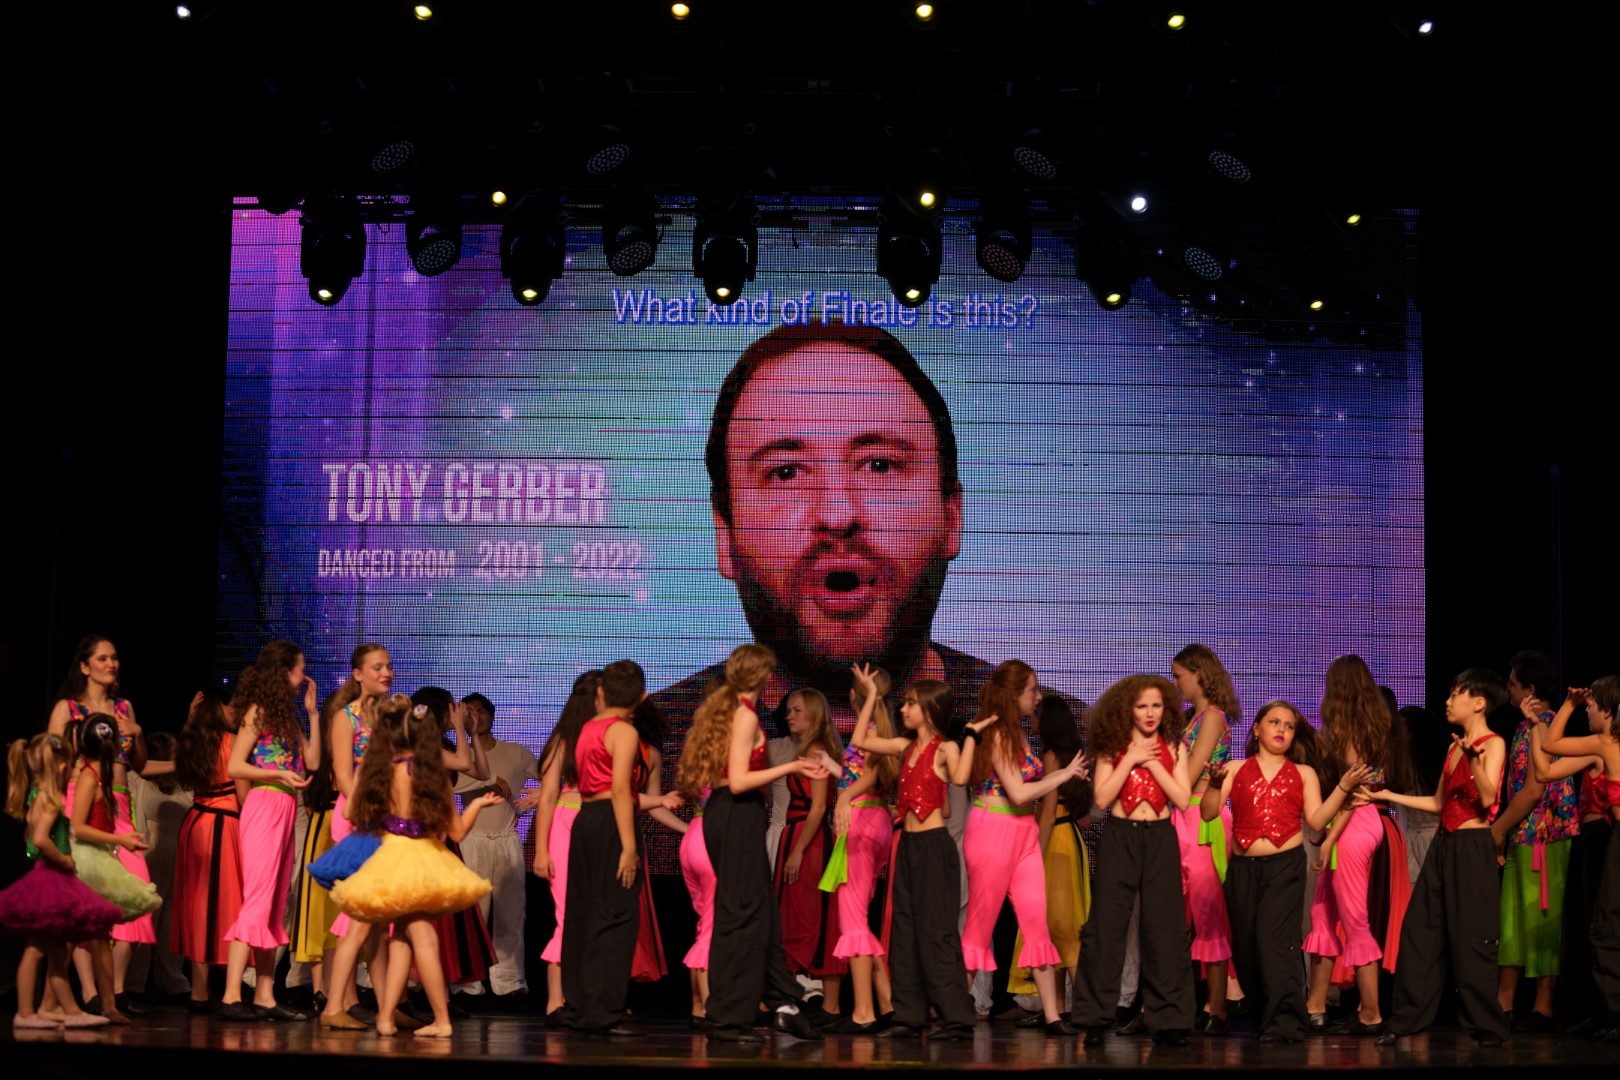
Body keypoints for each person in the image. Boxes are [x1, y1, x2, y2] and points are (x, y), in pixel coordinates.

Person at [650, 322, 993, 866]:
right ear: (725, 536)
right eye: (786, 473)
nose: (838, 514)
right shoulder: (652, 738)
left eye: (880, 465)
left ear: (951, 517)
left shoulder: (1064, 736)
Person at [673, 643, 831, 1044]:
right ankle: (728, 1018)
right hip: (736, 812)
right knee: (741, 916)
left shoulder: (728, 710)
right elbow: (739, 780)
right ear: (760, 674)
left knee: (761, 915)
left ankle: (783, 1005)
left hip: (731, 813)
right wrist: (793, 765)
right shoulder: (742, 714)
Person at [328, 694, 501, 1038]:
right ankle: (409, 1018)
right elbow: (456, 831)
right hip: (421, 860)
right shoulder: (432, 775)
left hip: (387, 859)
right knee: (413, 939)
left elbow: (349, 812)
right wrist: (477, 805)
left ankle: (395, 1017)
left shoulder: (377, 771)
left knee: (393, 937)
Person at [1202, 701, 1364, 1043]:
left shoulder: (1303, 773)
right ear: (1257, 728)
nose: (1281, 730)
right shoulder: (1234, 769)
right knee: (1247, 948)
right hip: (1243, 870)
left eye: (1289, 726)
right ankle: (1266, 1017)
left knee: (1274, 944)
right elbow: (1207, 813)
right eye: (1274, 722)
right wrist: (1214, 785)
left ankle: (1286, 1022)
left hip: (1284, 868)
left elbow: (1317, 821)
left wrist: (1343, 787)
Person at [1370, 669, 1511, 1047]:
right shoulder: (1453, 748)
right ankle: (1406, 1020)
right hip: (1443, 843)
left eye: (1455, 694)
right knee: (1420, 931)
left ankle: (1487, 1026)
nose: (1447, 701)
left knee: (1471, 936)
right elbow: (1437, 803)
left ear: (1478, 702)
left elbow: (1487, 799)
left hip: (1472, 846)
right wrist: (1387, 796)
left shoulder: (1493, 744)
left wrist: (1475, 762)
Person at [956, 659, 1090, 1035]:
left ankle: (1053, 1016)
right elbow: (1017, 792)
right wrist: (1062, 775)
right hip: (993, 830)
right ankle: (954, 1010)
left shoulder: (1019, 734)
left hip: (1024, 832)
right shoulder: (998, 732)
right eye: (1032, 689)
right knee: (980, 926)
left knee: (1036, 922)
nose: (1038, 696)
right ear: (1015, 694)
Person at [849, 671, 979, 1040]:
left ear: (930, 710)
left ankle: (957, 1017)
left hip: (934, 848)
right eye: (904, 703)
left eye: (910, 704)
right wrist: (870, 695)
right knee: (904, 929)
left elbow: (962, 777)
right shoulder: (904, 747)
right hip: (907, 846)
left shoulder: (946, 748)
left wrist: (971, 736)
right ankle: (909, 1014)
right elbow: (860, 740)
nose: (904, 709)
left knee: (936, 931)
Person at [1070, 674, 1195, 1047]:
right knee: (1106, 925)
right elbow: (1103, 798)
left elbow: (1182, 799)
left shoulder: (1175, 746)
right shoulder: (1113, 746)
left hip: (1159, 837)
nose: (1150, 713)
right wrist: (1132, 760)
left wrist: (1153, 764)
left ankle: (1170, 1020)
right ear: (1128, 709)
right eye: (1142, 706)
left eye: (1156, 705)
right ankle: (1095, 1018)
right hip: (1121, 836)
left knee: (1165, 927)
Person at [557, 660, 677, 1034]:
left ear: (602, 693)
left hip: (586, 821)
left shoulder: (587, 727)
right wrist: (628, 847)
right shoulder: (622, 731)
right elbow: (623, 791)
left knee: (583, 913)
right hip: (611, 821)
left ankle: (580, 1005)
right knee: (616, 913)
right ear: (641, 697)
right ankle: (604, 1011)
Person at [1302, 654, 1412, 1036]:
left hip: (1355, 822)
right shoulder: (1369, 727)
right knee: (1322, 913)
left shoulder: (1350, 732)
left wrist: (1330, 837)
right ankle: (1315, 1006)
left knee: (1353, 919)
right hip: (1352, 822)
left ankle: (1371, 1013)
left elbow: (1354, 791)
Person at [47, 634, 153, 1014]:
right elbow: (50, 760)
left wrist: (137, 733)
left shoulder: (124, 707)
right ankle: (91, 993)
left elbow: (139, 764)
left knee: (137, 894)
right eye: (103, 658)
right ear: (84, 666)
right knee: (85, 899)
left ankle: (116, 990)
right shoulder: (69, 709)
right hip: (79, 799)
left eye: (115, 658)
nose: (112, 664)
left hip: (119, 806)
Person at [219, 640, 321, 1021]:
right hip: (264, 803)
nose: (303, 675)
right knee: (258, 899)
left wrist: (312, 713)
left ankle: (264, 994)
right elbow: (235, 766)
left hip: (285, 806)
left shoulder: (286, 718)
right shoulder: (258, 711)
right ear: (283, 672)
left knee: (276, 902)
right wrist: (277, 773)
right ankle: (231, 994)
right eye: (300, 668)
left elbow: (313, 761)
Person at [0, 733, 121, 1029]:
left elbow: (30, 839)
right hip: (50, 878)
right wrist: (64, 859)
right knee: (36, 949)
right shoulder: (51, 800)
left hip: (47, 875)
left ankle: (69, 1009)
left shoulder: (35, 796)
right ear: (62, 765)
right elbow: (41, 839)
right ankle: (25, 1012)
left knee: (56, 952)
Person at [1493, 649, 1580, 1031]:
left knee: (1542, 917)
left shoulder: (1545, 725)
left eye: (1513, 683)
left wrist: (1498, 829)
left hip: (1545, 834)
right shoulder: (1523, 727)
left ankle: (1543, 1007)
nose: (1508, 688)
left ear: (1529, 689)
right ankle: (1504, 1002)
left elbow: (1533, 789)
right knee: (1512, 919)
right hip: (1523, 833)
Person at [68, 718, 163, 1024]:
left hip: (107, 843)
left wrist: (121, 838)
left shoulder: (104, 774)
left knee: (115, 921)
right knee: (81, 929)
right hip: (90, 852)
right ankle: (82, 998)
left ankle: (111, 1000)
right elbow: (78, 826)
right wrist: (119, 840)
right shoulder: (88, 776)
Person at [1539, 680, 1620, 1037]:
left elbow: (1551, 744)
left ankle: (1614, 1014)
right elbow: (1545, 769)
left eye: (1592, 705)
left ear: (1609, 710)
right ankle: (1606, 1012)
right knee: (1601, 926)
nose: (1588, 709)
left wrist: (1569, 704)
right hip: (1609, 835)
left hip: (1613, 835)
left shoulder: (1606, 742)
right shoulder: (1606, 744)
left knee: (1606, 928)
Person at [1007, 693, 1092, 1024]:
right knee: (1057, 927)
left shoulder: (1053, 755)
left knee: (1061, 927)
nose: (1032, 719)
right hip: (1068, 838)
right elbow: (1085, 817)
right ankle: (1058, 1009)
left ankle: (1086, 1009)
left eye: (1036, 715)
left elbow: (1047, 809)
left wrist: (1034, 855)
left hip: (1055, 841)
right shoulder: (1072, 754)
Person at [824, 664, 900, 1033]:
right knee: (859, 919)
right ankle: (887, 1004)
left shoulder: (869, 730)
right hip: (875, 820)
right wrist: (833, 768)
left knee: (852, 922)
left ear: (854, 695)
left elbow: (871, 775)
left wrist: (844, 798)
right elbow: (861, 775)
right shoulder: (880, 729)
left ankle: (864, 1013)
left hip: (862, 822)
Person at [451, 691, 539, 1009]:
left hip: (506, 838)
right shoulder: (460, 756)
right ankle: (467, 983)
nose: (476, 717)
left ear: (491, 715)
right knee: (471, 913)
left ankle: (510, 982)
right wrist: (484, 785)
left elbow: (552, 779)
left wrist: (539, 795)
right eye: (469, 713)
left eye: (481, 711)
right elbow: (446, 785)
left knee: (511, 914)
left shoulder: (516, 753)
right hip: (471, 838)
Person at [1169, 643, 1239, 1035]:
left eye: (1179, 675)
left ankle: (1217, 1007)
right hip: (1182, 815)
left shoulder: (1212, 717)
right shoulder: (1193, 718)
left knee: (1209, 912)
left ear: (1199, 673)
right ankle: (1180, 1002)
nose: (1176, 683)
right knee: (1178, 914)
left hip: (1202, 815)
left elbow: (1192, 771)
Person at [526, 670, 601, 1021]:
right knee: (567, 914)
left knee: (591, 916)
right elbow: (547, 797)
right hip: (566, 825)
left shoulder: (605, 737)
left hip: (595, 826)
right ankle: (556, 1001)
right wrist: (541, 850)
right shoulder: (563, 741)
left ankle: (584, 995)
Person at [171, 687, 245, 1013]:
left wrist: (190, 720)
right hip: (220, 825)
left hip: (194, 824)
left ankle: (200, 989)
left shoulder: (191, 741)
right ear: (220, 710)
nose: (236, 713)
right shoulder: (231, 742)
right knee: (223, 905)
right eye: (232, 707)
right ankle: (226, 990)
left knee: (198, 905)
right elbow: (243, 795)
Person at [773, 687, 846, 1015]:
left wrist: (798, 850)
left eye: (797, 710)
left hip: (808, 838)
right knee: (802, 916)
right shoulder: (812, 748)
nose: (789, 716)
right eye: (789, 710)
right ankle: (816, 1003)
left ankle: (823, 1005)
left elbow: (818, 807)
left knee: (809, 918)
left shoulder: (817, 750)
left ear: (814, 714)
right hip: (800, 835)